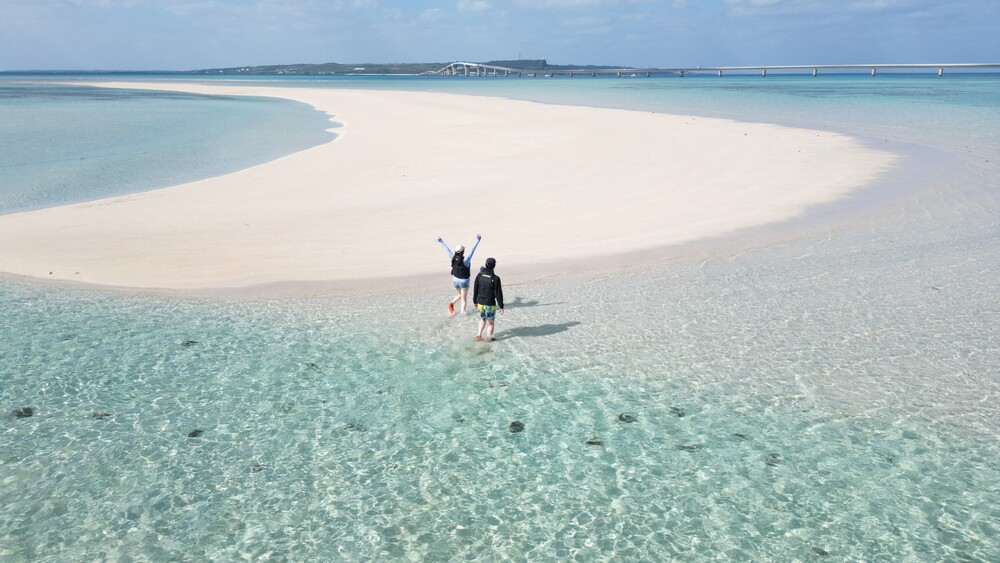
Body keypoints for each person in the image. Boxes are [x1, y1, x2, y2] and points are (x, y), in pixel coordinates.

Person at [436, 233, 481, 315]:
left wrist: (441, 241)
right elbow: (472, 250)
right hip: (464, 282)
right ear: (463, 251)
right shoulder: (466, 260)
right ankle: (462, 312)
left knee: (460, 294)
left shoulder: (452, 257)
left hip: (455, 280)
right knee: (464, 298)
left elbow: (447, 250)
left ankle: (451, 304)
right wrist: (478, 240)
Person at [473, 257, 504, 341]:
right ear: (494, 266)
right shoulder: (495, 278)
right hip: (490, 303)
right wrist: (501, 306)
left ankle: (478, 335)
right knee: (490, 323)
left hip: (480, 302)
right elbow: (498, 294)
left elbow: (475, 288)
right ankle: (488, 339)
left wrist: (474, 301)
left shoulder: (479, 275)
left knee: (482, 319)